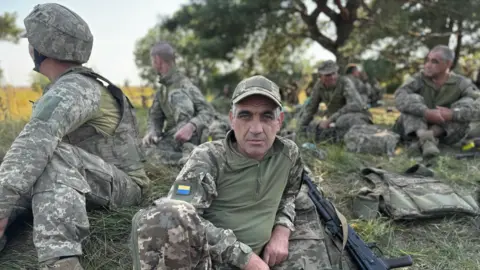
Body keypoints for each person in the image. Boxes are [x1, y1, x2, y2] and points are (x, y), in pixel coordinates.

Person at [130, 75, 352, 270]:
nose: (256, 129)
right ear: (232, 119)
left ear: (279, 121)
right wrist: (244, 258)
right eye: (246, 116)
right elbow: (179, 216)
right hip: (208, 261)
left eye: (266, 116)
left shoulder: (288, 155)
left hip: (265, 258)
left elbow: (289, 194)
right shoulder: (208, 158)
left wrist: (283, 228)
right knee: (163, 214)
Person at [0, 3, 149, 269]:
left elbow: (34, 144)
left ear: (39, 47)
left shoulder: (76, 88)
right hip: (87, 178)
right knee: (25, 170)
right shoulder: (70, 86)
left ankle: (61, 261)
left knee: (50, 155)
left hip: (123, 186)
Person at [393, 45, 480, 157]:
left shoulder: (461, 83)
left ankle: (426, 139)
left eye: (434, 62)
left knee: (466, 102)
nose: (427, 65)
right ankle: (425, 140)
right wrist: (425, 112)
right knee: (412, 100)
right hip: (412, 130)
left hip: (444, 133)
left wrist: (452, 114)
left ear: (448, 64)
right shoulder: (418, 78)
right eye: (427, 60)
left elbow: (477, 106)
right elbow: (399, 97)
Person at [142, 42, 215, 165]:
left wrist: (191, 126)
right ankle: (190, 160)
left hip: (192, 138)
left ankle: (193, 156)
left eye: (152, 61)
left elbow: (208, 112)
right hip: (171, 139)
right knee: (142, 152)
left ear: (158, 60)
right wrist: (152, 132)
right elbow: (155, 118)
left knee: (176, 95)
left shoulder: (185, 85)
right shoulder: (162, 91)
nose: (152, 64)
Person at [298, 60, 372, 141]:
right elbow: (310, 108)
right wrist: (300, 129)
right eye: (328, 75)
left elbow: (355, 105)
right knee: (312, 124)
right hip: (336, 118)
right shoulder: (319, 86)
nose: (332, 77)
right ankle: (335, 137)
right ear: (320, 76)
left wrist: (330, 120)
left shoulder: (344, 82)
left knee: (341, 121)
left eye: (334, 73)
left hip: (357, 115)